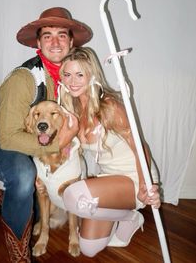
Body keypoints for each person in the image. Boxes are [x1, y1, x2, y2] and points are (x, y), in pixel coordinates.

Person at [0, 8, 93, 262]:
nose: (55, 42)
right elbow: (9, 138)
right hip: (0, 144)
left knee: (35, 193)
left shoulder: (74, 78)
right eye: (47, 36)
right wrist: (59, 143)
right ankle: (19, 255)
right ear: (38, 43)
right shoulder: (23, 79)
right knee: (24, 177)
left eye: (61, 35)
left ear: (71, 41)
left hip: (41, 146)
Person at [58, 46, 161, 257]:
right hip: (109, 179)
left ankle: (129, 216)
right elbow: (60, 147)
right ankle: (129, 218)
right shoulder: (73, 110)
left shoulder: (110, 106)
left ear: (92, 75)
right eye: (67, 75)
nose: (72, 81)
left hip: (135, 176)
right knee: (88, 249)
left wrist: (145, 184)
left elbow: (140, 147)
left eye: (80, 74)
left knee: (73, 197)